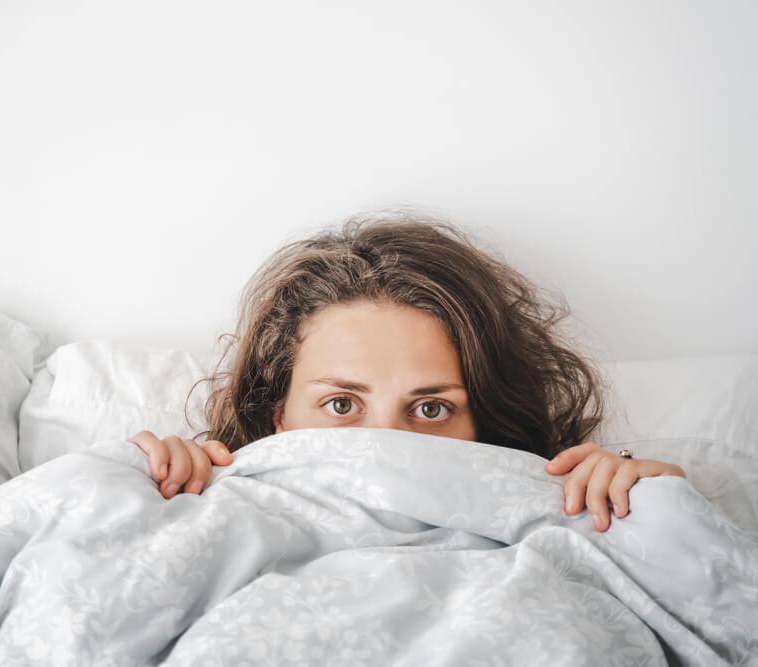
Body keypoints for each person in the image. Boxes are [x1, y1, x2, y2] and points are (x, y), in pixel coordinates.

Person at [128, 211, 686, 532]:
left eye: (430, 409)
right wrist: (156, 483)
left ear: (481, 426)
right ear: (279, 416)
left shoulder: (558, 512)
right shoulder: (209, 505)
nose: (386, 446)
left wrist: (652, 501)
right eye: (342, 405)